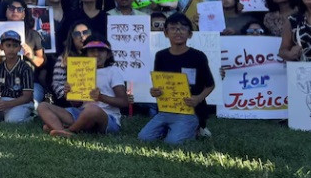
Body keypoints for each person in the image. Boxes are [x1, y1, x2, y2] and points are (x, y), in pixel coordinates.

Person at [138, 13, 215, 145]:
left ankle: (197, 128)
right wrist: (154, 92)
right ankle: (173, 129)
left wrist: (198, 98)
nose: (178, 32)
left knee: (173, 142)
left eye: (183, 28)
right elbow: (159, 84)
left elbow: (210, 85)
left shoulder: (198, 56)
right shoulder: (161, 56)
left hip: (190, 111)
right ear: (166, 33)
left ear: (190, 34)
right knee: (143, 138)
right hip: (166, 110)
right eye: (173, 28)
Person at [37, 36, 128, 136]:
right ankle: (62, 130)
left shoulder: (112, 71)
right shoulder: (80, 70)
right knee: (43, 106)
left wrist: (101, 97)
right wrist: (70, 94)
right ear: (86, 54)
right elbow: (77, 104)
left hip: (107, 118)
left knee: (92, 109)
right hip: (80, 113)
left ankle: (70, 130)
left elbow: (124, 102)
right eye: (92, 51)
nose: (96, 54)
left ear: (108, 54)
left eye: (101, 51)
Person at [50, 22, 91, 107]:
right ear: (72, 37)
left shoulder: (99, 56)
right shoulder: (64, 58)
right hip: (70, 102)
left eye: (85, 32)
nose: (82, 37)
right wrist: (66, 94)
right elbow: (57, 84)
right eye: (77, 34)